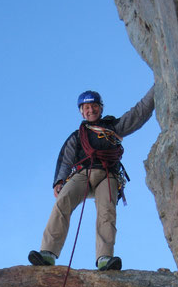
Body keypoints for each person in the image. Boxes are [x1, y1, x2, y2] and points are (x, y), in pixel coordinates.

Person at [28, 86, 155, 270]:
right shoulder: (78, 136)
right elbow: (66, 158)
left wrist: (157, 87)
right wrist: (59, 181)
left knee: (107, 211)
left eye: (94, 106)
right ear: (81, 112)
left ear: (101, 108)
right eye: (86, 108)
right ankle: (47, 252)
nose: (90, 110)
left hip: (108, 174)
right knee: (63, 201)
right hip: (83, 174)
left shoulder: (113, 127)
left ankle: (104, 257)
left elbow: (138, 113)